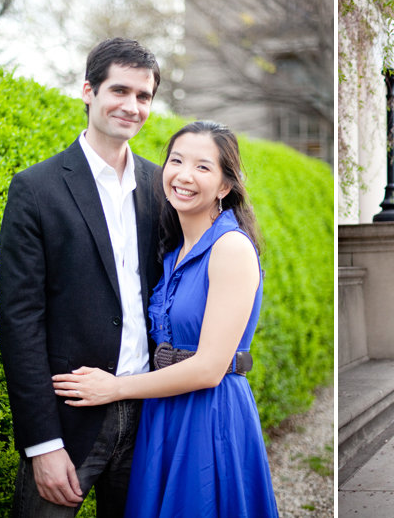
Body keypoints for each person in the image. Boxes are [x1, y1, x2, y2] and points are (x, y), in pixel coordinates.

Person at [52, 121, 279, 517]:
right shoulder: (171, 250)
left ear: (225, 186)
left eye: (203, 167)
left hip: (208, 413)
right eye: (176, 160)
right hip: (162, 412)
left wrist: (115, 388)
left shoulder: (230, 248)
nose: (184, 175)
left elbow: (209, 369)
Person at [0, 37, 163, 517]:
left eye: (144, 96)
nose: (132, 106)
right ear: (88, 91)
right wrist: (41, 444)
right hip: (68, 423)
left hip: (149, 416)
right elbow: (20, 321)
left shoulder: (161, 187)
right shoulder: (36, 188)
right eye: (120, 91)